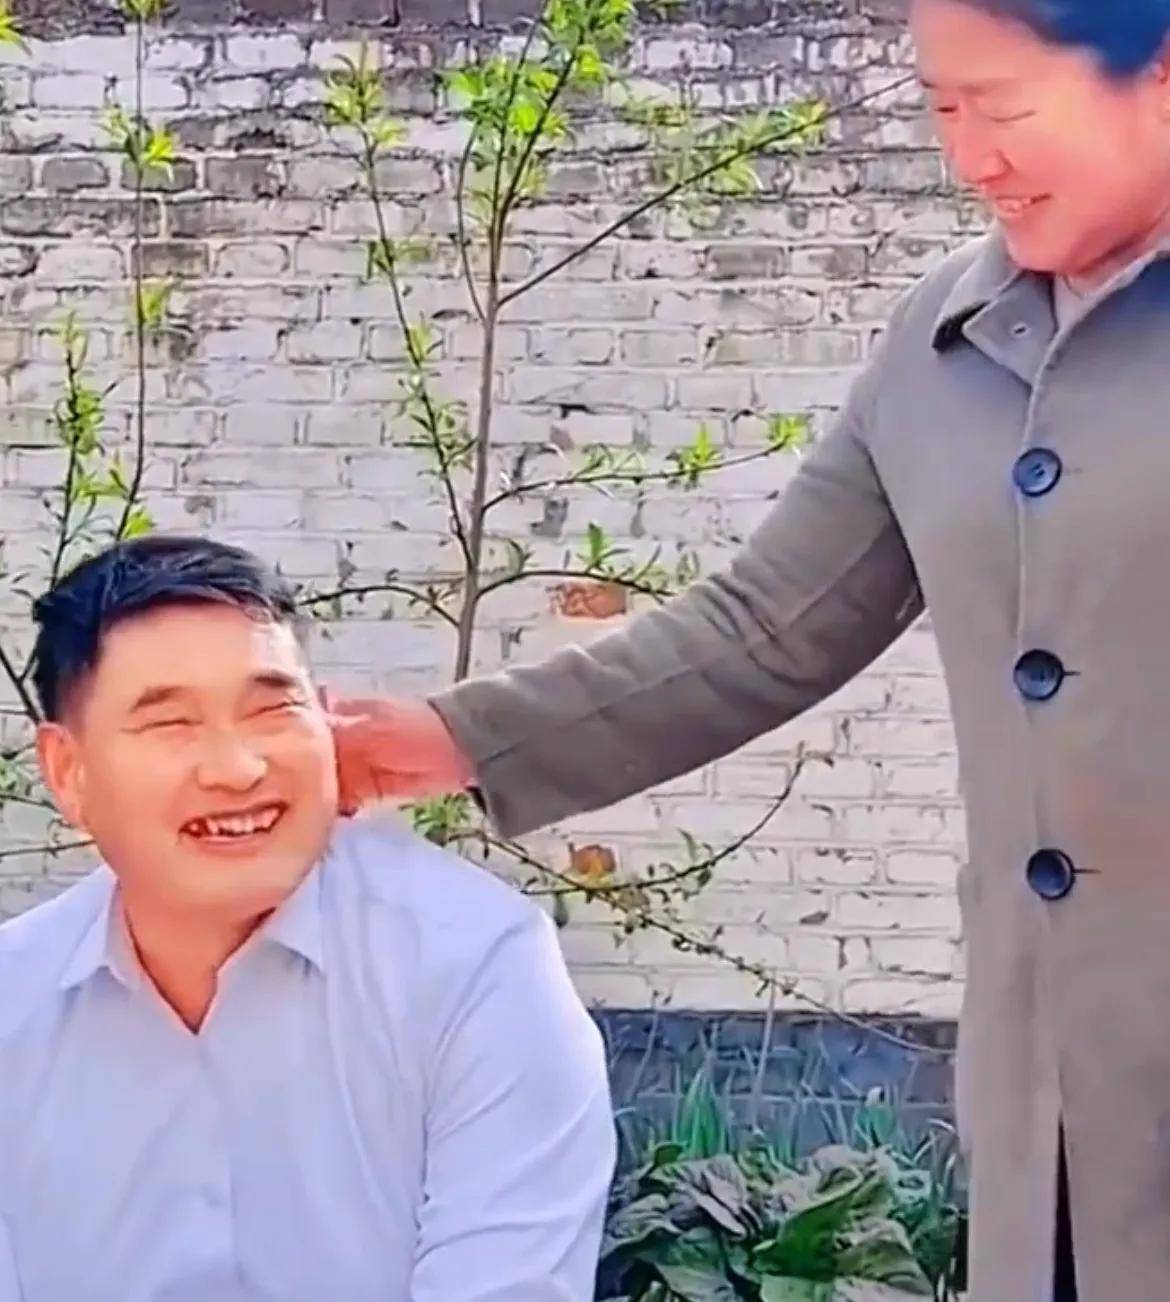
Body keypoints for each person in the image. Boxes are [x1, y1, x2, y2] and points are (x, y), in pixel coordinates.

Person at [327, 1, 1170, 1298]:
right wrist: (448, 739)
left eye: (1004, 105)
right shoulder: (944, 345)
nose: (971, 156)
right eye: (942, 108)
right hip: (1051, 1086)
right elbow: (768, 623)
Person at [0, 535, 615, 1302]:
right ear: (69, 772)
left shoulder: (477, 967)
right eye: (171, 724)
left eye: (272, 710)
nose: (237, 769)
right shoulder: (15, 1003)